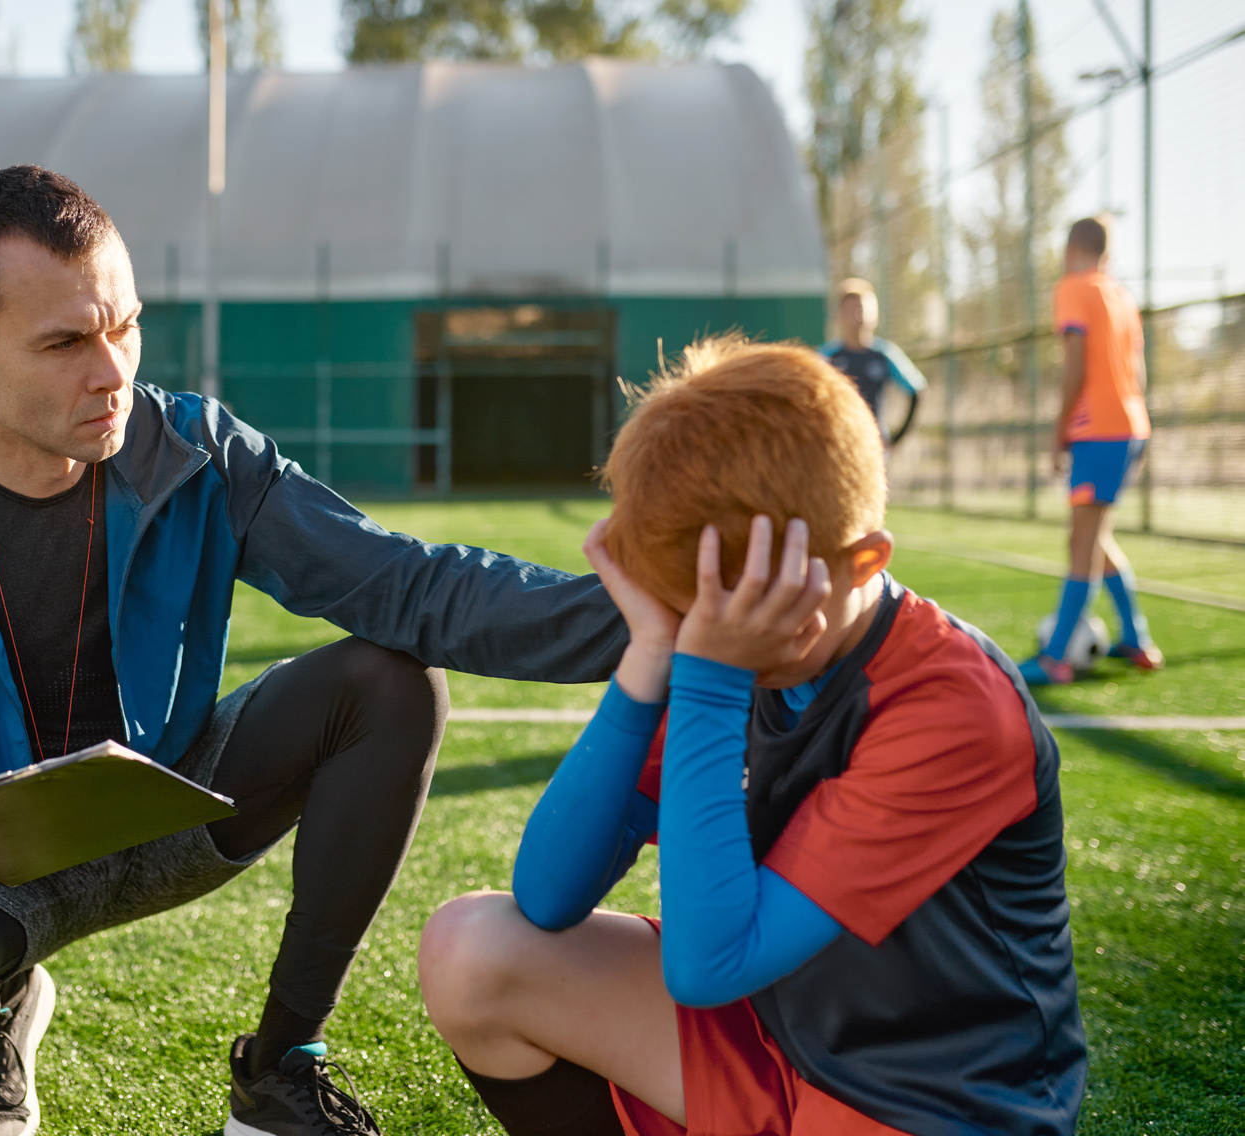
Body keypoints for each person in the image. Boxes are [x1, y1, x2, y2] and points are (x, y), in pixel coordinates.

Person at [0, 165, 626, 1136]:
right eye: (67, 340)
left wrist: (648, 620)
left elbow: (408, 584)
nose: (113, 370)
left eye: (124, 324)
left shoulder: (199, 455)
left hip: (176, 796)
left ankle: (281, 1069)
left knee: (388, 680)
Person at [418, 337, 1085, 1136]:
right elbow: (548, 894)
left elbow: (708, 965)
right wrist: (647, 667)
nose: (730, 632)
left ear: (863, 560)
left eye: (759, 607)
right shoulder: (723, 638)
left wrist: (708, 677)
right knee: (474, 950)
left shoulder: (951, 706)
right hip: (773, 1038)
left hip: (927, 1101)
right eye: (698, 612)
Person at [1019, 217, 1162, 686]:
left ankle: (1056, 656)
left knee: (1081, 542)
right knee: (1097, 538)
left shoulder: (1074, 287)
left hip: (1098, 431)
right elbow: (1137, 372)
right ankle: (1137, 639)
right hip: (1130, 426)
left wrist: (1060, 430)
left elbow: (1076, 367)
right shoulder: (1121, 296)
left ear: (1070, 248)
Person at [821, 277, 927, 446]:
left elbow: (916, 390)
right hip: (837, 444)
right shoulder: (827, 356)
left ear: (874, 312)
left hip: (874, 445)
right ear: (840, 314)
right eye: (851, 309)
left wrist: (896, 438)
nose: (858, 314)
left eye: (862, 308)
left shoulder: (884, 353)